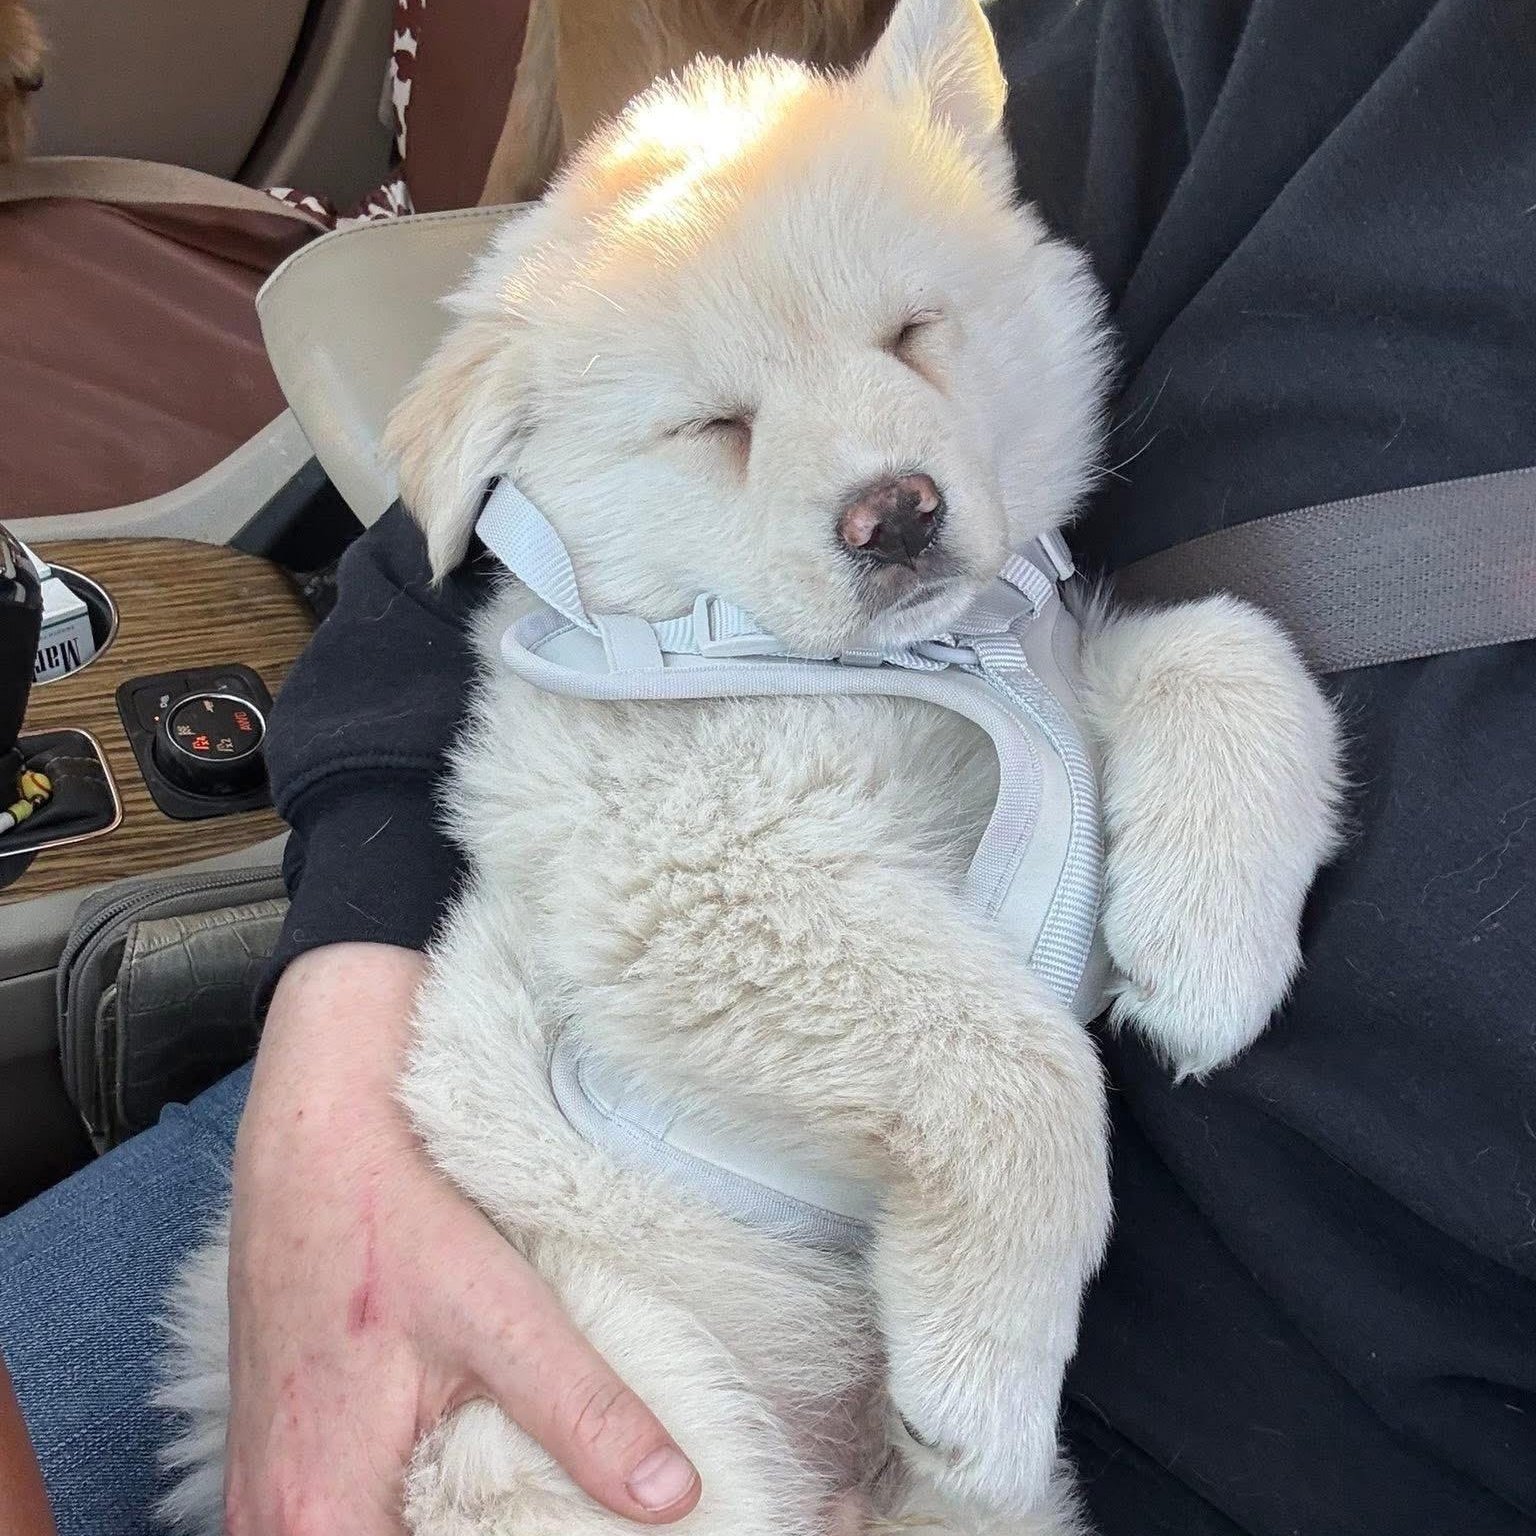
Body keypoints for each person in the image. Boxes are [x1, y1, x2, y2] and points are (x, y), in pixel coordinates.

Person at [2, 1, 1533, 1532]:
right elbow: (502, 529)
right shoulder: (1304, 46)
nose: (882, 487)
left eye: (907, 340)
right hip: (522, 1238)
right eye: (726, 426)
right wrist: (333, 1066)